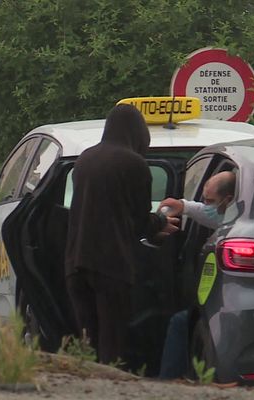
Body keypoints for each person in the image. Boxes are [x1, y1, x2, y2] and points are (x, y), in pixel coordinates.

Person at [64, 104, 179, 365]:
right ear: (138, 133)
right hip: (110, 265)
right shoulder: (134, 163)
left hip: (75, 262)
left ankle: (85, 388)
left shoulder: (84, 159)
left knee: (88, 339)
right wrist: (161, 221)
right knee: (111, 341)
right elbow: (139, 220)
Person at [157, 171, 236, 379]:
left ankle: (166, 384)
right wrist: (184, 206)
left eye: (210, 200)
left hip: (230, 303)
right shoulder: (239, 217)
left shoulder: (235, 228)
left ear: (228, 200)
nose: (206, 204)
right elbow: (212, 215)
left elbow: (217, 219)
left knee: (181, 323)